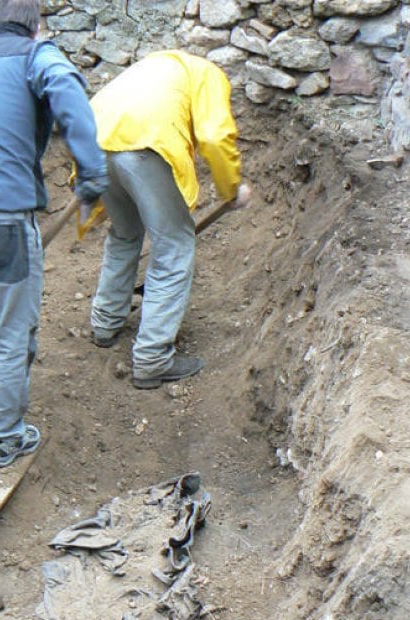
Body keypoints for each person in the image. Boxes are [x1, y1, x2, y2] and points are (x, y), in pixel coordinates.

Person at [0, 0, 107, 468]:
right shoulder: (37, 55)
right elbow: (68, 87)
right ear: (37, 27)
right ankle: (6, 435)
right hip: (3, 219)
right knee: (14, 328)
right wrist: (91, 169)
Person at [87, 51, 252, 389]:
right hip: (146, 147)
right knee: (174, 247)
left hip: (95, 143)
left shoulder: (155, 67)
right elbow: (214, 135)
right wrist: (231, 187)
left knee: (124, 233)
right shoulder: (209, 74)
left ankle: (105, 323)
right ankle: (151, 359)